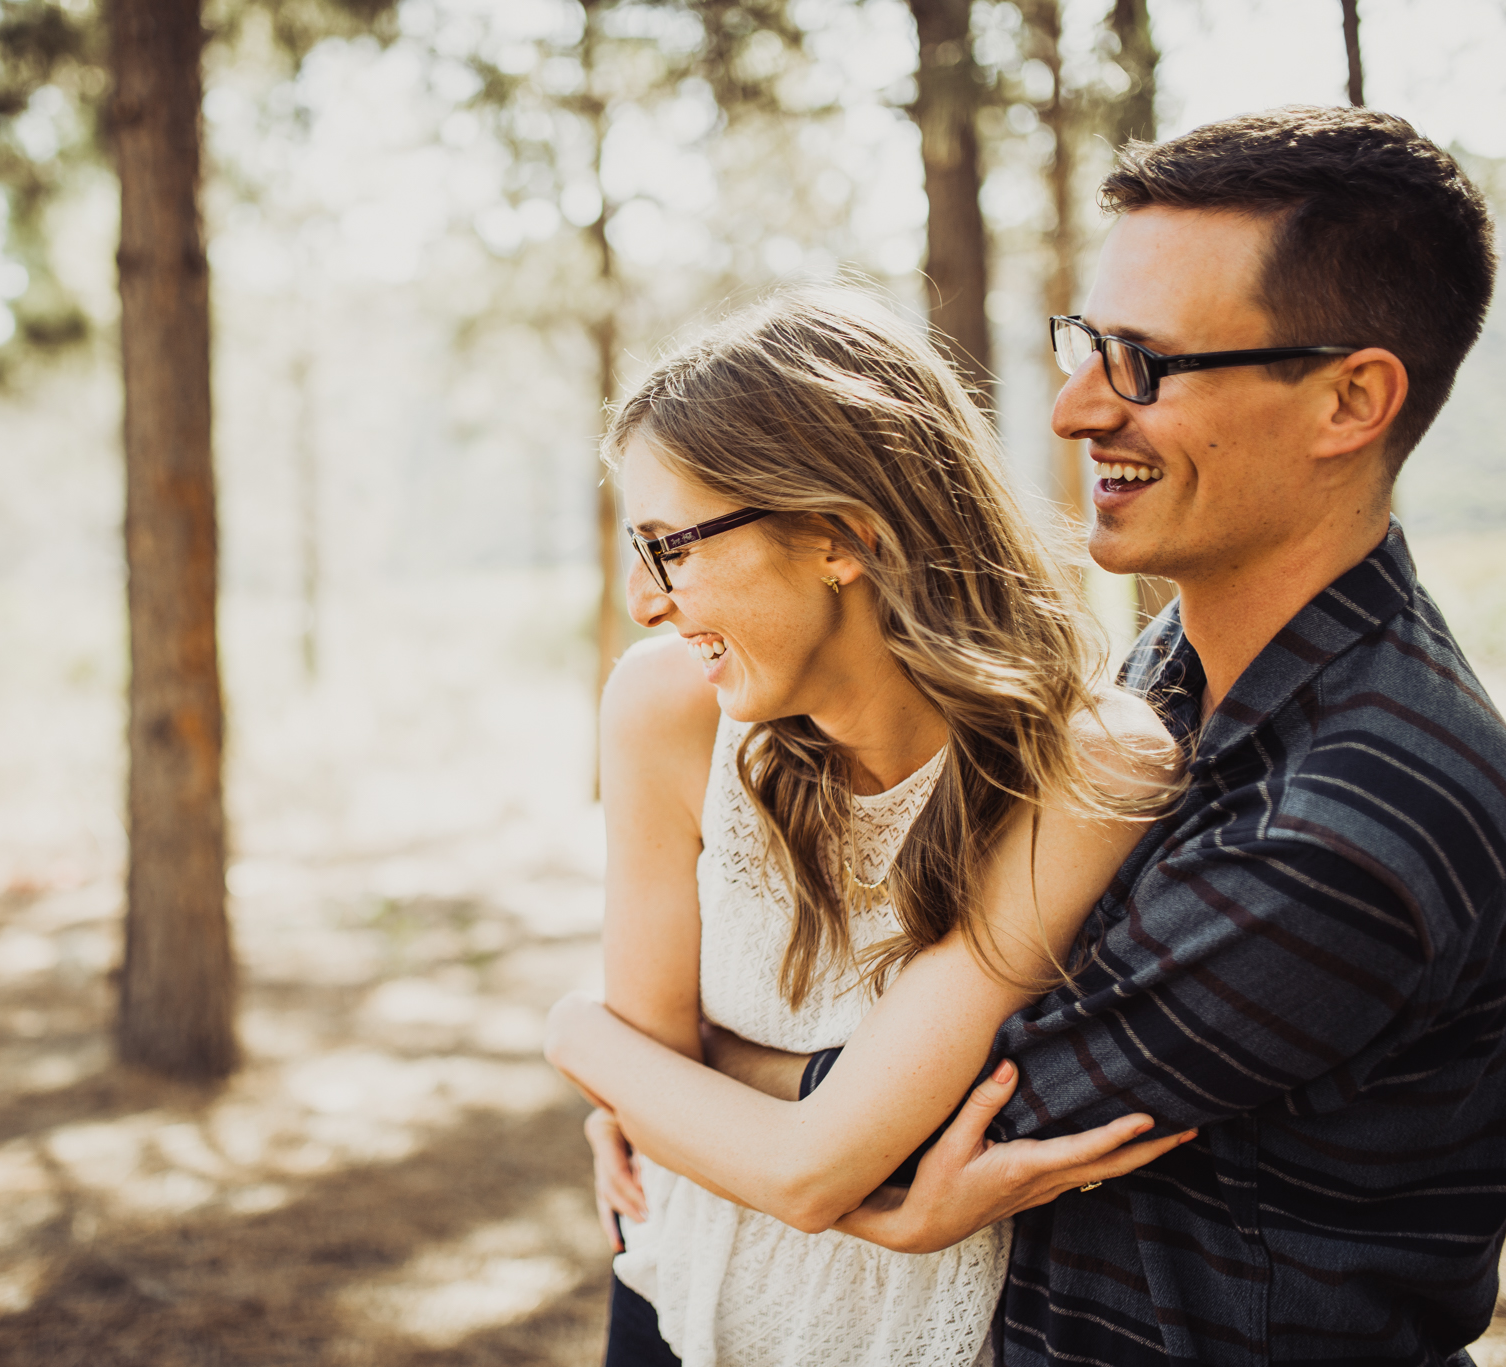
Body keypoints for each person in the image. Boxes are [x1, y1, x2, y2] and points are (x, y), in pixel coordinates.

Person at [560, 106, 1506, 1367]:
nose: (1069, 411)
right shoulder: (1173, 672)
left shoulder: (1355, 815)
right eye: (1084, 346)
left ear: (1350, 398)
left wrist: (603, 1044)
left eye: (1144, 364)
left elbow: (911, 1113)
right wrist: (650, 1079)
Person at [544, 287, 1185, 1367]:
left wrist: (572, 1032)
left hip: (919, 1337)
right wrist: (883, 1201)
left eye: (672, 547)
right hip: (671, 1295)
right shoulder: (664, 709)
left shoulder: (1081, 760)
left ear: (836, 535)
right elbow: (658, 1093)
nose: (646, 600)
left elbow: (802, 1162)